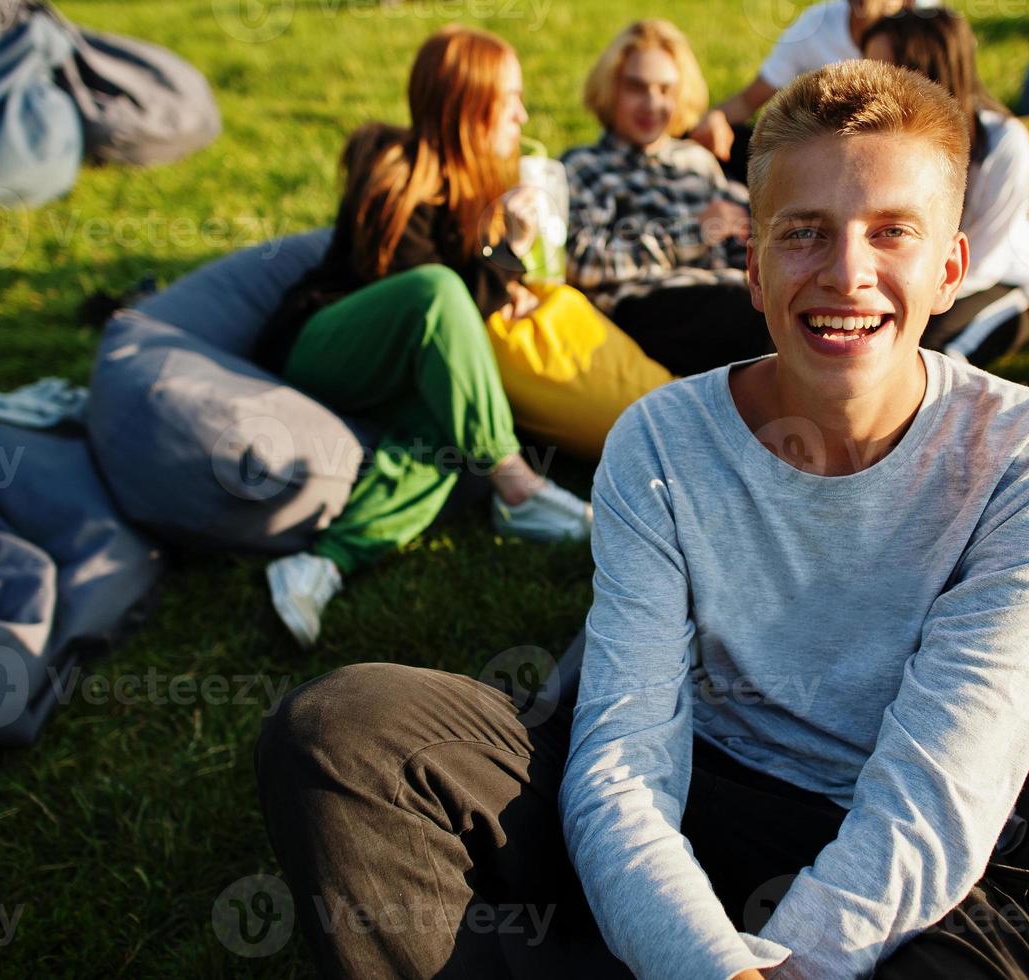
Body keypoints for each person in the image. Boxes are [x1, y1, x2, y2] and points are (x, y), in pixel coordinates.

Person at [254, 60, 1029, 979]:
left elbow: (935, 800)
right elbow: (625, 755)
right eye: (804, 234)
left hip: (862, 839)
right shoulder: (662, 439)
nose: (847, 272)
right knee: (343, 731)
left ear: (949, 269)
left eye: (890, 232)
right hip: (681, 786)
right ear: (751, 264)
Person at [251, 26, 592, 648]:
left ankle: (320, 566)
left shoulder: (481, 183)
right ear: (467, 103)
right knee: (436, 293)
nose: (522, 112)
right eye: (508, 97)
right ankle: (518, 486)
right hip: (325, 347)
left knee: (442, 433)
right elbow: (425, 297)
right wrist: (502, 254)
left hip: (393, 378)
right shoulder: (393, 171)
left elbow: (463, 305)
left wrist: (510, 261)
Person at [561, 19, 771, 378]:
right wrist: (690, 234)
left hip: (729, 296)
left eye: (665, 90)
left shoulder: (697, 162)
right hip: (647, 308)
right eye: (636, 87)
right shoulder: (584, 166)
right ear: (611, 90)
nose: (651, 103)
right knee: (753, 317)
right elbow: (583, 262)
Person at [861, 7, 1029, 365]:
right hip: (911, 282)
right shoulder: (876, 140)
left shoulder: (1003, 142)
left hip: (999, 279)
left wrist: (900, 298)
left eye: (883, 71)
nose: (868, 84)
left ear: (927, 75)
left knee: (933, 357)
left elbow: (986, 256)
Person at [690, 0, 924, 182]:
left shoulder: (927, 29)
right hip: (818, 157)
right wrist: (712, 120)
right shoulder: (816, 26)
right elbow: (749, 100)